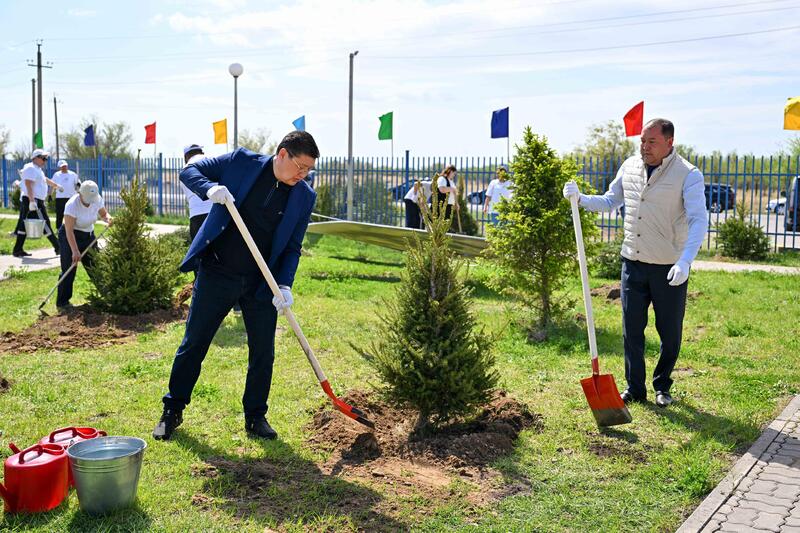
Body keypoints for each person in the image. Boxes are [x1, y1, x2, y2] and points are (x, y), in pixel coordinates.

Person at [153, 131, 320, 441]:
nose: (303, 174)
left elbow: (293, 246)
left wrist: (284, 285)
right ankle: (172, 410)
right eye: (300, 166)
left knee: (263, 352)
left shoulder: (303, 196)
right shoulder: (241, 162)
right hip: (218, 271)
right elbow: (190, 171)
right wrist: (210, 188)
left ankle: (255, 416)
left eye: (309, 170)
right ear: (281, 154)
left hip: (261, 282)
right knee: (195, 343)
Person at [563, 118, 707, 408]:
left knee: (669, 331)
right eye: (642, 141)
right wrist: (580, 199)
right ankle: (634, 387)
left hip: (668, 267)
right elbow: (609, 201)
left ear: (669, 142)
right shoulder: (629, 167)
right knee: (631, 328)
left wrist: (685, 261)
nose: (645, 147)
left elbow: (698, 219)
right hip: (633, 262)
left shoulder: (688, 175)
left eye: (652, 142)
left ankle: (662, 385)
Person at [56, 181, 111, 311]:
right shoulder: (71, 205)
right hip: (70, 236)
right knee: (69, 268)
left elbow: (104, 214)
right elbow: (69, 231)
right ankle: (63, 302)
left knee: (96, 266)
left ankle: (109, 297)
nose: (90, 202)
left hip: (88, 236)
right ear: (80, 194)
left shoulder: (97, 199)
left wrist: (108, 219)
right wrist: (75, 251)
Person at [13, 149, 62, 257]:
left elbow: (44, 179)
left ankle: (17, 249)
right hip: (33, 200)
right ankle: (58, 247)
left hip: (35, 200)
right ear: (36, 158)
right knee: (45, 223)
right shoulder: (31, 168)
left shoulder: (37, 169)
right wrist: (31, 201)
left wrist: (55, 185)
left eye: (46, 159)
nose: (45, 161)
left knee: (23, 225)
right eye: (43, 158)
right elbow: (28, 184)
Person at [179, 144, 212, 241]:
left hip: (196, 215)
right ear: (201, 152)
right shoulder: (212, 161)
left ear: (186, 157)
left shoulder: (184, 170)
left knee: (200, 253)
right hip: (217, 212)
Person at [51, 160, 81, 230]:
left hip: (71, 198)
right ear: (59, 167)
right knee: (59, 215)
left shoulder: (73, 174)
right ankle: (58, 229)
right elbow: (53, 185)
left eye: (65, 166)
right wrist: (50, 194)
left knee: (72, 214)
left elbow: (78, 185)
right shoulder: (56, 175)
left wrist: (78, 186)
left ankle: (74, 228)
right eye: (62, 166)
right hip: (60, 198)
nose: (64, 167)